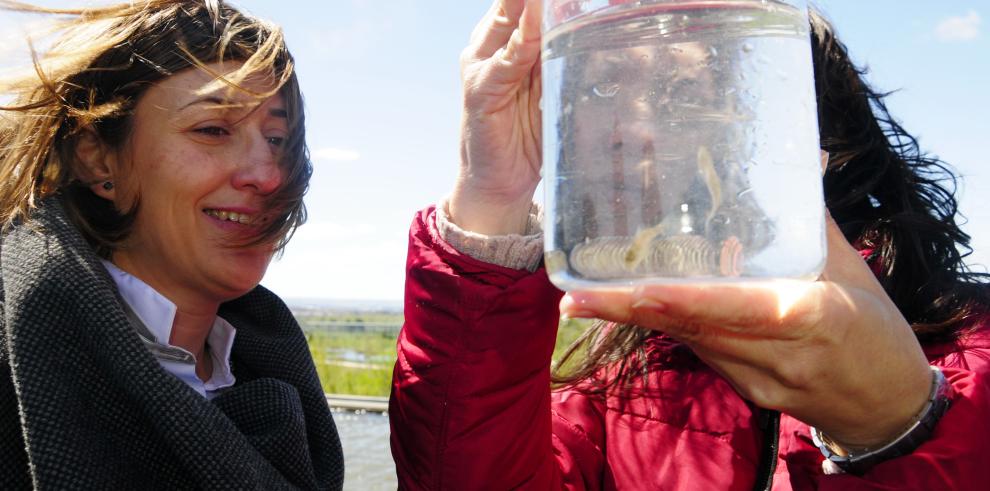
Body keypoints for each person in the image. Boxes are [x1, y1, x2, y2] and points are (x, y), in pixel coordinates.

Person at [389, 0, 990, 489]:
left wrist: (902, 425)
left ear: (796, 120)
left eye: (687, 95)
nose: (635, 131)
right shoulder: (617, 379)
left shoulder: (974, 350)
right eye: (606, 94)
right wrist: (493, 195)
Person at [0, 1, 343, 489]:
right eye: (212, 130)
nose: (268, 176)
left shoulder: (269, 376)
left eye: (277, 138)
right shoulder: (14, 377)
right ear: (97, 160)